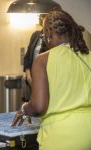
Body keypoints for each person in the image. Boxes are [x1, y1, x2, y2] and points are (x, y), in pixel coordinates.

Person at [12, 10, 91, 150]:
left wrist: (25, 108)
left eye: (43, 32)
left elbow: (39, 107)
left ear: (48, 33)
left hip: (62, 137)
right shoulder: (88, 55)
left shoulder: (43, 59)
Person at [22, 14, 48, 101]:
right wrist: (29, 77)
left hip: (45, 80)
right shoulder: (35, 35)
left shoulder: (53, 39)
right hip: (31, 78)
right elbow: (27, 57)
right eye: (43, 17)